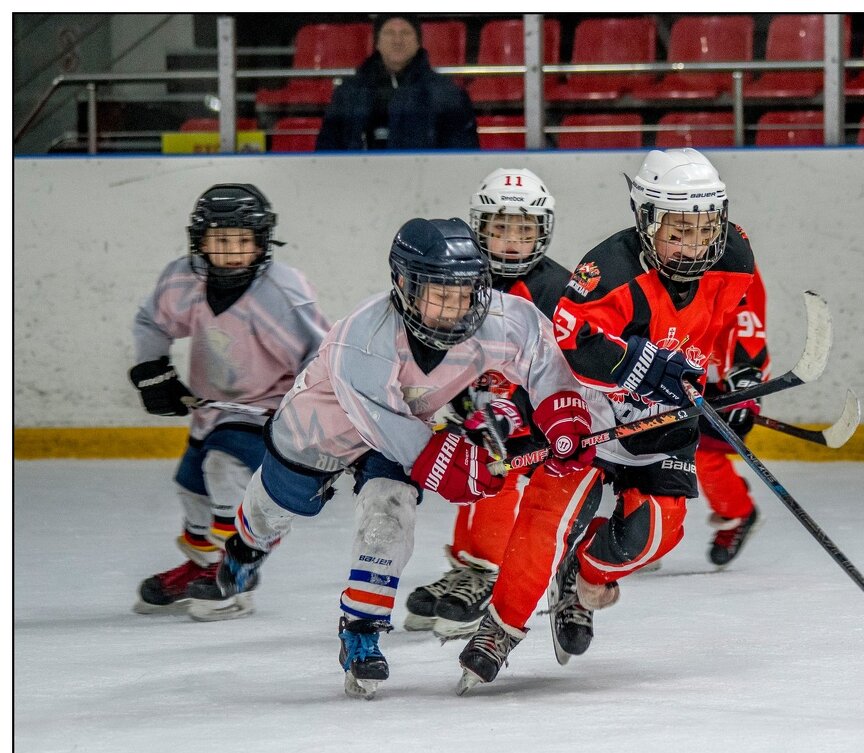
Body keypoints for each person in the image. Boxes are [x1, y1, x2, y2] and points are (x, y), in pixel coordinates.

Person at [187, 217, 596, 701]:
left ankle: (360, 631)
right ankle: (245, 548)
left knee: (389, 512)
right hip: (321, 429)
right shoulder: (362, 338)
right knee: (275, 507)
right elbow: (395, 432)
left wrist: (564, 416)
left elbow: (541, 354)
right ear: (404, 284)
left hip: (404, 427)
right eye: (439, 292)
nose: (456, 306)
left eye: (466, 292)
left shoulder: (499, 317)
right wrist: (459, 466)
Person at [455, 148, 769, 690]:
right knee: (545, 515)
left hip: (663, 421)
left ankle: (584, 572)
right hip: (589, 412)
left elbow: (745, 310)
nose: (692, 245)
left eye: (702, 230)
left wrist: (743, 371)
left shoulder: (734, 252)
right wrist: (640, 364)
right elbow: (573, 341)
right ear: (647, 219)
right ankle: (502, 626)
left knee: (654, 535)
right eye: (676, 231)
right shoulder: (609, 269)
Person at [130, 184, 329, 615]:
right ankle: (202, 564)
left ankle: (236, 572)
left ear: (262, 241)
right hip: (210, 409)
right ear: (199, 241)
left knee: (224, 470)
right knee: (193, 489)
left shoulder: (282, 293)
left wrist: (306, 417)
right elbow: (152, 321)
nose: (233, 251)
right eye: (221, 240)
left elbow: (320, 356)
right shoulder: (184, 278)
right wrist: (153, 371)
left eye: (244, 240)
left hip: (267, 410)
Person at [402, 167, 575, 641]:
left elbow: (566, 365)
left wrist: (528, 408)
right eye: (500, 229)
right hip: (481, 408)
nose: (512, 242)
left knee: (496, 472)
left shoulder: (560, 289)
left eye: (524, 230)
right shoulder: (458, 277)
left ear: (544, 231)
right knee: (467, 471)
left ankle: (486, 570)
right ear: (479, 229)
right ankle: (469, 567)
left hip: (539, 417)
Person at [696, 264, 771, 567]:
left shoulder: (732, 258)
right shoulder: (657, 251)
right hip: (672, 374)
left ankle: (738, 510)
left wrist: (745, 379)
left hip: (725, 382)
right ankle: (636, 531)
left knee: (704, 455)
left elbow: (746, 323)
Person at [315, 15, 479, 151]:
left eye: (406, 33)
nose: (397, 40)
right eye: (389, 33)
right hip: (359, 183)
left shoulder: (448, 93)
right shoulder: (349, 91)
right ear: (377, 42)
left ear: (418, 42)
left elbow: (463, 155)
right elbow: (327, 149)